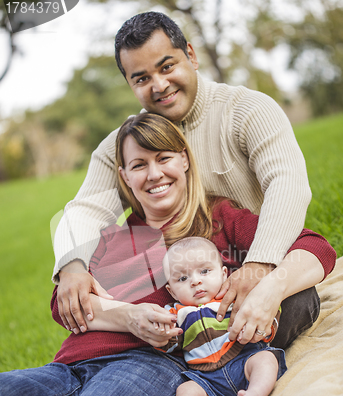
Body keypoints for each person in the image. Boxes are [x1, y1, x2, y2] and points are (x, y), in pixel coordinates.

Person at [0, 114, 335, 396]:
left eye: (163, 158)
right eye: (139, 165)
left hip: (147, 368)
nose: (154, 173)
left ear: (185, 160)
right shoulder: (111, 239)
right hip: (67, 369)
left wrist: (267, 287)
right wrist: (128, 316)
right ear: (125, 177)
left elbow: (316, 249)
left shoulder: (218, 219)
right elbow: (66, 308)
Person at [53, 11, 316, 343]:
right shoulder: (125, 144)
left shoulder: (248, 110)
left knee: (296, 302)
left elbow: (287, 183)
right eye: (142, 78)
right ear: (130, 84)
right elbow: (86, 209)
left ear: (190, 55)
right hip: (179, 287)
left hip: (252, 257)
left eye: (167, 67)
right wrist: (72, 266)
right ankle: (193, 358)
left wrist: (259, 264)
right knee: (153, 321)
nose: (160, 85)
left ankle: (222, 360)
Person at [160, 237, 286, 396]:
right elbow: (167, 344)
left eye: (204, 271)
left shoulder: (233, 298)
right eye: (182, 278)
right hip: (207, 380)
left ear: (224, 274)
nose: (195, 281)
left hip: (243, 360)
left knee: (265, 359)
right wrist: (162, 332)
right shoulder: (176, 314)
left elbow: (266, 314)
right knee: (185, 392)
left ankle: (254, 393)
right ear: (171, 291)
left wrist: (264, 325)